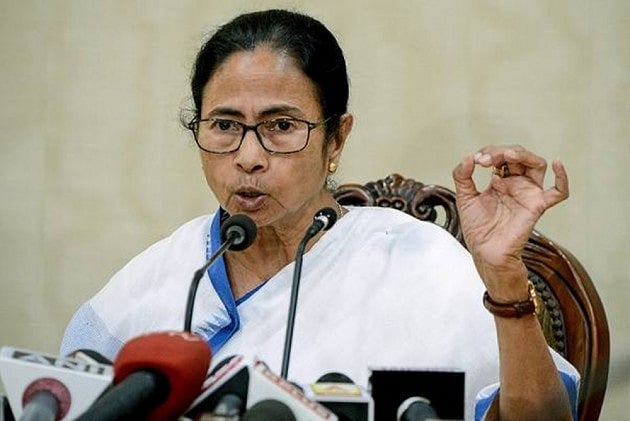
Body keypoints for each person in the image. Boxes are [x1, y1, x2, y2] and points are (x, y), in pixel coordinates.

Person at [61, 9, 579, 420]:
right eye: (224, 125)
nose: (248, 156)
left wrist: (505, 281)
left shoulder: (416, 263)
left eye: (281, 125)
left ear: (337, 138)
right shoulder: (157, 278)